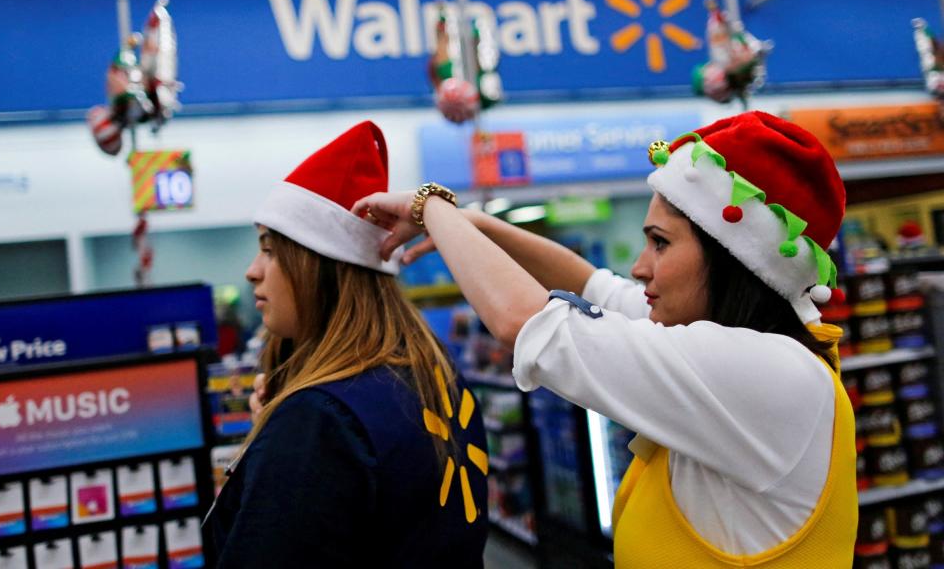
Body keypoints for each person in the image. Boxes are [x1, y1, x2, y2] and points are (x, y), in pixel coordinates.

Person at [354, 111, 857, 567]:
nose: (640, 268)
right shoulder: (734, 342)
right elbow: (592, 285)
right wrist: (479, 225)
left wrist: (432, 207)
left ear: (732, 260)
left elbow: (527, 323)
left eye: (660, 243)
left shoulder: (770, 375)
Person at [206, 121, 489, 568]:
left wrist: (282, 444)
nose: (253, 270)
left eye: (270, 249)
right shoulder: (434, 374)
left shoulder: (319, 420)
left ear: (319, 266)